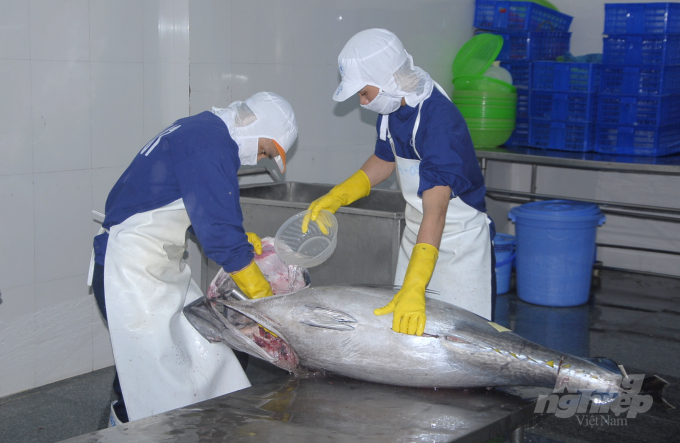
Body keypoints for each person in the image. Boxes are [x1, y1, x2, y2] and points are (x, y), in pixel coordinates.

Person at [87, 91, 297, 423]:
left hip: (153, 265)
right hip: (128, 271)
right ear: (256, 127)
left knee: (201, 354)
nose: (258, 159)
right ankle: (124, 429)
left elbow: (188, 204)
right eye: (263, 150)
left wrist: (239, 239)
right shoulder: (211, 144)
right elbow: (220, 237)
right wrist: (263, 299)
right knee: (154, 378)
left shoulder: (202, 129)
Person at [304, 29, 495, 336]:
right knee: (408, 335)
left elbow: (437, 210)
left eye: (365, 93)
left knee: (461, 338)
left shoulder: (439, 122)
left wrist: (416, 285)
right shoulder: (393, 107)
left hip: (457, 243)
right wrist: (337, 196)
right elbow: (385, 158)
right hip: (418, 235)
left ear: (389, 80)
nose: (363, 102)